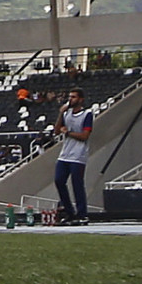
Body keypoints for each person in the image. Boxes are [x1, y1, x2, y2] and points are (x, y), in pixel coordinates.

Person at [54, 86, 95, 224]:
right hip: (65, 153)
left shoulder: (87, 114)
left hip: (78, 154)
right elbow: (56, 131)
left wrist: (68, 133)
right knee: (59, 180)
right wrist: (61, 114)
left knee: (77, 184)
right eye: (69, 97)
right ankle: (69, 211)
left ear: (80, 99)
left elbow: (84, 135)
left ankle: (82, 214)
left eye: (73, 97)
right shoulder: (66, 114)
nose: (70, 99)